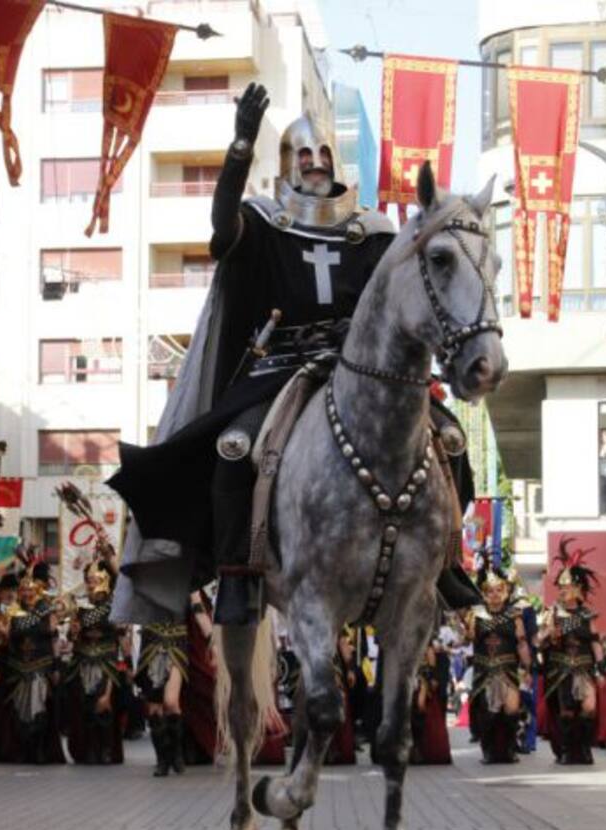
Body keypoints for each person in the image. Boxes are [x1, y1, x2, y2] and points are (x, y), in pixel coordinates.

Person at [109, 85, 481, 628]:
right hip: (279, 368)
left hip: (360, 366)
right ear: (287, 164)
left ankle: (442, 562)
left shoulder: (373, 231)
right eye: (303, 154)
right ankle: (238, 573)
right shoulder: (264, 222)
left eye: (323, 152)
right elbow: (222, 228)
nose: (314, 162)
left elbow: (404, 297)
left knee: (449, 439)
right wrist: (240, 147)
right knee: (234, 447)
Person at [538, 540, 603, 766]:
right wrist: (548, 634)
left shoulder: (587, 614)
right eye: (561, 587)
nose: (563, 590)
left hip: (584, 667)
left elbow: (595, 642)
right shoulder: (552, 613)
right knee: (566, 710)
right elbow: (539, 641)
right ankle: (566, 750)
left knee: (589, 708)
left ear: (578, 589)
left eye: (567, 587)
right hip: (560, 668)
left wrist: (601, 666)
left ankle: (583, 748)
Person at [2, 548, 65, 765]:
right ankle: (23, 749)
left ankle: (39, 750)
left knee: (38, 708)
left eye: (31, 590)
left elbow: (54, 640)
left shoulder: (47, 611)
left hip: (41, 665)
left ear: (37, 590)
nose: (27, 594)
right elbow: (6, 638)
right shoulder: (13, 611)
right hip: (17, 667)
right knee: (19, 710)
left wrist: (56, 667)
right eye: (24, 590)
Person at [463, 559, 528, 764]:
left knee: (511, 711)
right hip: (485, 670)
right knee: (488, 713)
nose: (495, 594)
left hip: (508, 669)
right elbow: (467, 640)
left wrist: (529, 667)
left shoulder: (514, 615)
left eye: (499, 590)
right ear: (483, 594)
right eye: (490, 591)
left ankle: (509, 749)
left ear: (506, 592)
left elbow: (521, 642)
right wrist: (464, 624)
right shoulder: (476, 615)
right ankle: (488, 751)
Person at [64, 546, 124, 765]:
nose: (90, 584)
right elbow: (72, 637)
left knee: (104, 705)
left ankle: (107, 748)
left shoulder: (114, 604)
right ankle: (90, 748)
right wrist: (73, 632)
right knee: (85, 705)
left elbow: (120, 631)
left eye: (94, 580)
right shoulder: (80, 607)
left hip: (106, 661)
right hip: (82, 660)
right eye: (88, 580)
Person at [137, 604, 192, 777]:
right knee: (154, 709)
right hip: (151, 644)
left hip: (177, 642)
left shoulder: (186, 587)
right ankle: (162, 760)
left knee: (171, 702)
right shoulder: (145, 588)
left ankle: (177, 754)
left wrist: (211, 638)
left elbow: (198, 609)